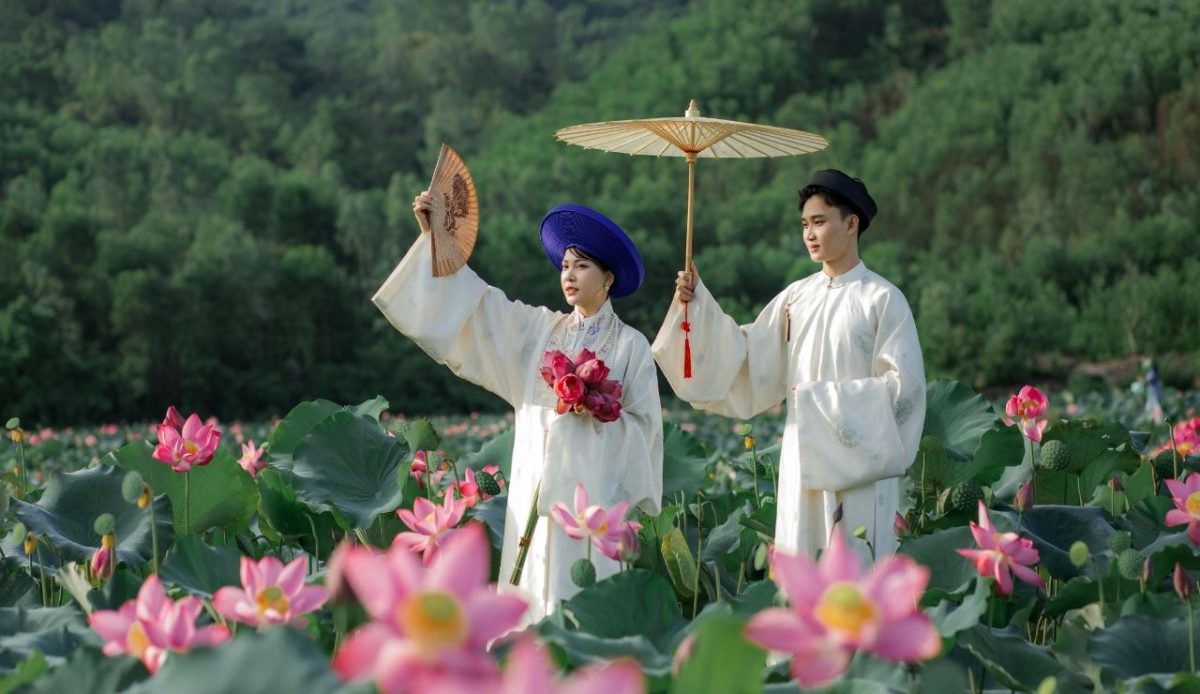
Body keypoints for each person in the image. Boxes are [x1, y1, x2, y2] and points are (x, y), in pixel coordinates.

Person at [373, 193, 662, 621]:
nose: (569, 275)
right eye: (565, 265)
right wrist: (436, 240)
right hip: (534, 495)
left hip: (594, 506)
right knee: (532, 600)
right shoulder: (539, 331)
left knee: (589, 608)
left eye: (582, 265)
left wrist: (595, 410)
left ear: (608, 277)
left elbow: (646, 431)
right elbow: (482, 308)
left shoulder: (632, 346)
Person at [652, 170, 924, 559]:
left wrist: (820, 403)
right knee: (803, 568)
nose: (809, 234)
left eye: (819, 222)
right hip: (801, 460)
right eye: (804, 225)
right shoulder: (796, 298)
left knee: (857, 570)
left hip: (861, 468)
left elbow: (906, 393)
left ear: (851, 224)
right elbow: (747, 356)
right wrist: (698, 303)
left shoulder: (882, 299)